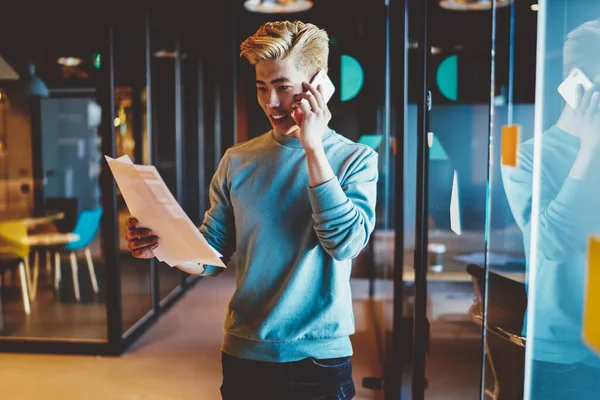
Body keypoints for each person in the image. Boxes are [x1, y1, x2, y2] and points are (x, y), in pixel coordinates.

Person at [125, 20, 378, 400]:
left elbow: (344, 244)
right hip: (245, 352)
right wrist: (163, 246)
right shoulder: (238, 160)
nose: (270, 103)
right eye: (261, 87)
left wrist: (313, 149)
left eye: (282, 87)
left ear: (317, 87)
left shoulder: (356, 159)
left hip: (319, 360)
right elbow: (210, 256)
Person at [502, 19, 600, 399]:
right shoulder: (527, 158)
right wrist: (590, 150)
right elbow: (553, 243)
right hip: (564, 356)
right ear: (578, 84)